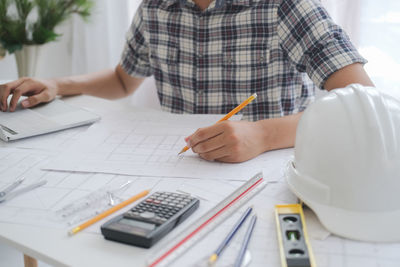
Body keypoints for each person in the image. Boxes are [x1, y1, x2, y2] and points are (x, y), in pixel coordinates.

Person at [0, 0, 373, 163]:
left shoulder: (286, 5)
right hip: (180, 165)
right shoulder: (155, 7)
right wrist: (57, 83)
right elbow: (122, 79)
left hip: (268, 169)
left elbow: (362, 101)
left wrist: (262, 135)